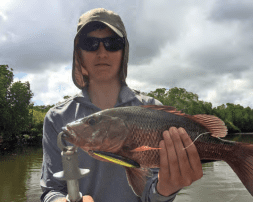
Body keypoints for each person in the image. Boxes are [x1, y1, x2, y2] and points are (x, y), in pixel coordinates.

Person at [40, 8, 203, 202]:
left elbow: (150, 196)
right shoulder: (56, 118)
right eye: (89, 43)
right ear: (79, 53)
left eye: (112, 43)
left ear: (124, 51)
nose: (102, 52)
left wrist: (165, 189)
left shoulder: (152, 108)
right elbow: (51, 190)